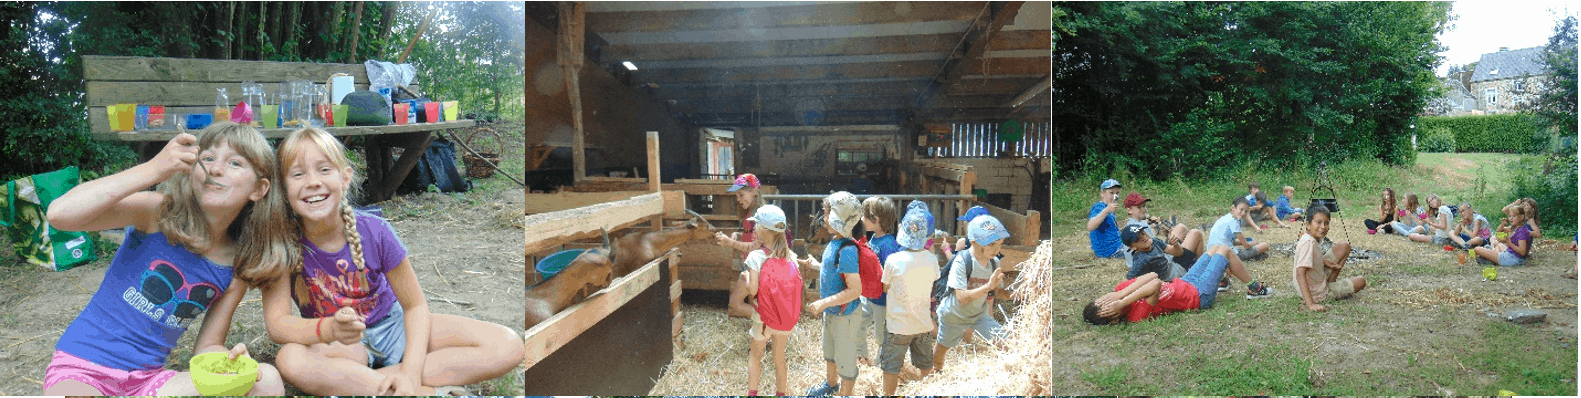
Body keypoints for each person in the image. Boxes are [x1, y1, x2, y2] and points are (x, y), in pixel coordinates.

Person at [263, 128, 523, 395]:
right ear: (283, 189)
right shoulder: (281, 245)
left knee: (508, 344)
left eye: (324, 170)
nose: (312, 182)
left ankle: (376, 385)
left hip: (395, 328)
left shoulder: (376, 231)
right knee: (290, 358)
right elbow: (278, 325)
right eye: (297, 174)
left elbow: (415, 306)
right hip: (340, 347)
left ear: (345, 178)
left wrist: (410, 372)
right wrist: (329, 329)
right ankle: (415, 391)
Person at [42, 123, 287, 395]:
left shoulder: (234, 267)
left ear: (259, 189)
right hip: (82, 369)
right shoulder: (158, 214)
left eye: (235, 163)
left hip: (149, 382)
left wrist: (229, 361)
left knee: (267, 381)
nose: (216, 169)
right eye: (207, 158)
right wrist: (153, 169)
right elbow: (60, 214)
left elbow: (207, 347)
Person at [796, 191, 865, 397]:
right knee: (830, 352)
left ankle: (845, 393)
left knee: (845, 359)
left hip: (844, 315)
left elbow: (855, 290)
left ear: (839, 218)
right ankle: (831, 385)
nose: (823, 219)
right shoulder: (834, 242)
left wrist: (824, 302)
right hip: (833, 311)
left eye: (826, 214)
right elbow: (835, 271)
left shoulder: (847, 250)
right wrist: (816, 265)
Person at [1083, 245, 1258, 325]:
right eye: (1107, 307)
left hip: (1185, 282)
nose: (1109, 301)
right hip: (1198, 297)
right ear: (1114, 319)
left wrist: (1120, 295)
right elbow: (1155, 284)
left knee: (1213, 249)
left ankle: (1222, 279)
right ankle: (1255, 287)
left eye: (1103, 300)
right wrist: (1122, 302)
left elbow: (1152, 275)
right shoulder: (1136, 316)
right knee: (1225, 251)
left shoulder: (1120, 290)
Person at [932, 215, 1015, 373]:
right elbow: (961, 297)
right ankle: (934, 375)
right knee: (942, 350)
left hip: (978, 314)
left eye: (999, 244)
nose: (996, 249)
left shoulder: (994, 262)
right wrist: (988, 286)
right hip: (953, 314)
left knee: (1006, 343)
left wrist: (1021, 293)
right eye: (991, 244)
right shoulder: (962, 261)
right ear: (974, 242)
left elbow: (999, 292)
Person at [741, 205, 800, 397]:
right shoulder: (792, 257)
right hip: (784, 318)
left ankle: (753, 393)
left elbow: (752, 290)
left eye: (756, 225)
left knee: (756, 357)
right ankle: (780, 393)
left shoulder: (755, 257)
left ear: (763, 230)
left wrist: (745, 277)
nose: (755, 228)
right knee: (779, 358)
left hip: (762, 318)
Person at [879, 209, 940, 396]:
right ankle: (927, 392)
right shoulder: (932, 260)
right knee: (926, 366)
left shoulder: (893, 260)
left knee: (891, 368)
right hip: (922, 324)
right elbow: (933, 284)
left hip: (897, 325)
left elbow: (885, 288)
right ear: (927, 236)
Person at [720, 173, 792, 318]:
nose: (738, 199)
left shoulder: (760, 216)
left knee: (735, 303)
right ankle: (765, 329)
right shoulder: (752, 213)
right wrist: (738, 234)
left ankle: (772, 320)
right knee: (757, 301)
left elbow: (755, 246)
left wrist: (730, 242)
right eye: (737, 196)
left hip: (760, 266)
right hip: (757, 265)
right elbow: (753, 236)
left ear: (753, 191)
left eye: (741, 195)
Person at [1293, 205, 1367, 312]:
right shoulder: (1308, 243)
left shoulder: (1309, 238)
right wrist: (1311, 304)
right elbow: (1300, 273)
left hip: (1316, 279)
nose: (1323, 227)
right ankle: (1330, 289)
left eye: (1326, 223)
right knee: (1361, 281)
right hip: (1316, 293)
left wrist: (1322, 261)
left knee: (1344, 246)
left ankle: (1331, 282)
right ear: (1308, 225)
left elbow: (1308, 259)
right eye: (1318, 222)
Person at [855, 196, 901, 367]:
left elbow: (891, 274)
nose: (861, 219)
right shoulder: (873, 238)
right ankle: (861, 356)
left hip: (882, 299)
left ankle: (883, 364)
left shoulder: (889, 245)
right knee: (858, 322)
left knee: (881, 335)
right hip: (869, 295)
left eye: (865, 216)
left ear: (877, 218)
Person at [1206, 196, 1272, 296]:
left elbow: (1231, 240)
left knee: (1253, 247)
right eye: (1241, 210)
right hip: (1226, 254)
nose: (1243, 213)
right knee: (1265, 246)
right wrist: (1252, 243)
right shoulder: (1234, 222)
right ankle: (1254, 287)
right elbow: (1246, 246)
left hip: (1213, 252)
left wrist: (1243, 242)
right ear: (1233, 208)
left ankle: (1223, 280)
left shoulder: (1226, 218)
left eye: (1245, 211)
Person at [1119, 192, 1204, 269]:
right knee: (1196, 233)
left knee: (1180, 228)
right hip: (1164, 266)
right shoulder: (1136, 229)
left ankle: (1192, 262)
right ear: (1129, 210)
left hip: (1159, 257)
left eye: (1144, 206)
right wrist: (1174, 247)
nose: (1143, 209)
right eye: (1138, 207)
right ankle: (1196, 269)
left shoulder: (1133, 225)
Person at [1120, 224, 1198, 282]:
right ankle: (1198, 270)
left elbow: (1178, 253)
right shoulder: (1141, 259)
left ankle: (1195, 265)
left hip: (1169, 261)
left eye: (1143, 233)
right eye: (1137, 239)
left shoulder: (1153, 241)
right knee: (1196, 233)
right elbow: (1126, 280)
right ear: (1133, 247)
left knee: (1181, 227)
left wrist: (1175, 244)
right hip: (1174, 274)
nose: (1144, 237)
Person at [1086, 179, 1125, 258]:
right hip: (1111, 251)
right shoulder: (1099, 207)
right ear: (1102, 193)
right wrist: (1106, 210)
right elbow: (1090, 226)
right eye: (1111, 193)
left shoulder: (1108, 208)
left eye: (1117, 193)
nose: (1115, 196)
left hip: (1117, 246)